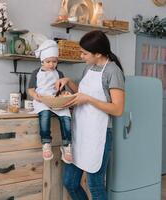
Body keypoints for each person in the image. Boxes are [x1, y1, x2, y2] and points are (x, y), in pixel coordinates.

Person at [55, 30, 125, 200]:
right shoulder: (89, 67)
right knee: (70, 182)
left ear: (98, 53)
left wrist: (88, 100)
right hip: (80, 132)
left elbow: (117, 109)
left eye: (85, 53)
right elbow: (83, 93)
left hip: (98, 136)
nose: (81, 56)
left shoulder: (112, 72)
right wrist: (69, 81)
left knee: (95, 185)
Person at [28, 39, 73, 163]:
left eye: (54, 61)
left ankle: (66, 146)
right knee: (45, 115)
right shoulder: (36, 73)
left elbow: (62, 91)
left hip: (56, 101)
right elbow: (31, 90)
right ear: (42, 60)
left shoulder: (59, 73)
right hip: (42, 101)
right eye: (48, 61)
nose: (51, 64)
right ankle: (46, 143)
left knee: (66, 117)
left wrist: (65, 94)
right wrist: (36, 96)